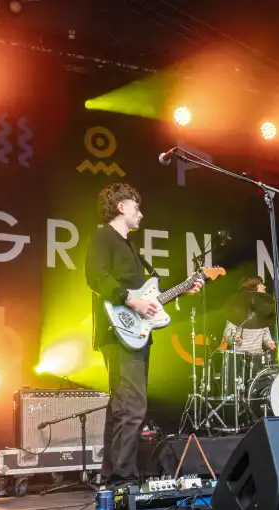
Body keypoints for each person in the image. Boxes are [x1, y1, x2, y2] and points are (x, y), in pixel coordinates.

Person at [86, 182, 203, 488]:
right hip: (119, 330)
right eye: (136, 206)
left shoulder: (129, 248)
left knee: (121, 407)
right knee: (133, 406)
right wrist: (131, 300)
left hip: (135, 333)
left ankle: (112, 478)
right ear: (121, 207)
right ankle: (124, 480)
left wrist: (183, 291)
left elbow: (148, 298)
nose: (141, 213)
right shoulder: (104, 236)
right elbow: (95, 276)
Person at [223, 276, 277, 355]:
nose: (264, 286)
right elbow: (227, 332)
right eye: (262, 284)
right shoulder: (237, 309)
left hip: (258, 356)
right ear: (256, 288)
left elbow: (265, 332)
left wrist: (269, 342)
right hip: (240, 357)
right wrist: (236, 339)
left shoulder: (262, 309)